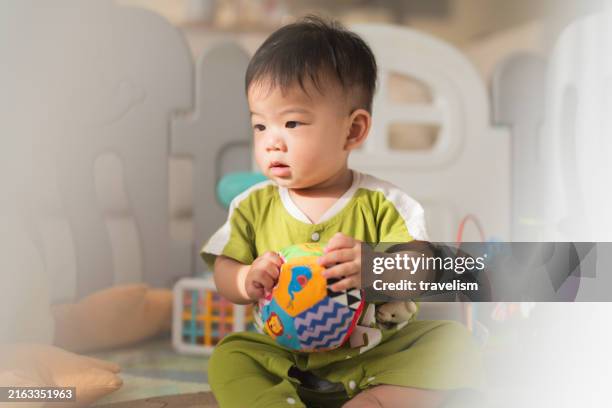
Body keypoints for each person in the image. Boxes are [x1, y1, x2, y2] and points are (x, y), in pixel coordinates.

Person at [201, 15, 483, 408]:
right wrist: (246, 277)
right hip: (287, 357)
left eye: (292, 122)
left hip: (377, 354)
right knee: (230, 357)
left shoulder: (384, 203)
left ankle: (381, 399)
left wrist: (374, 269)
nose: (271, 143)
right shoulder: (252, 205)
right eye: (260, 126)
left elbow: (422, 269)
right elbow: (224, 269)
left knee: (454, 343)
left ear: (352, 131)